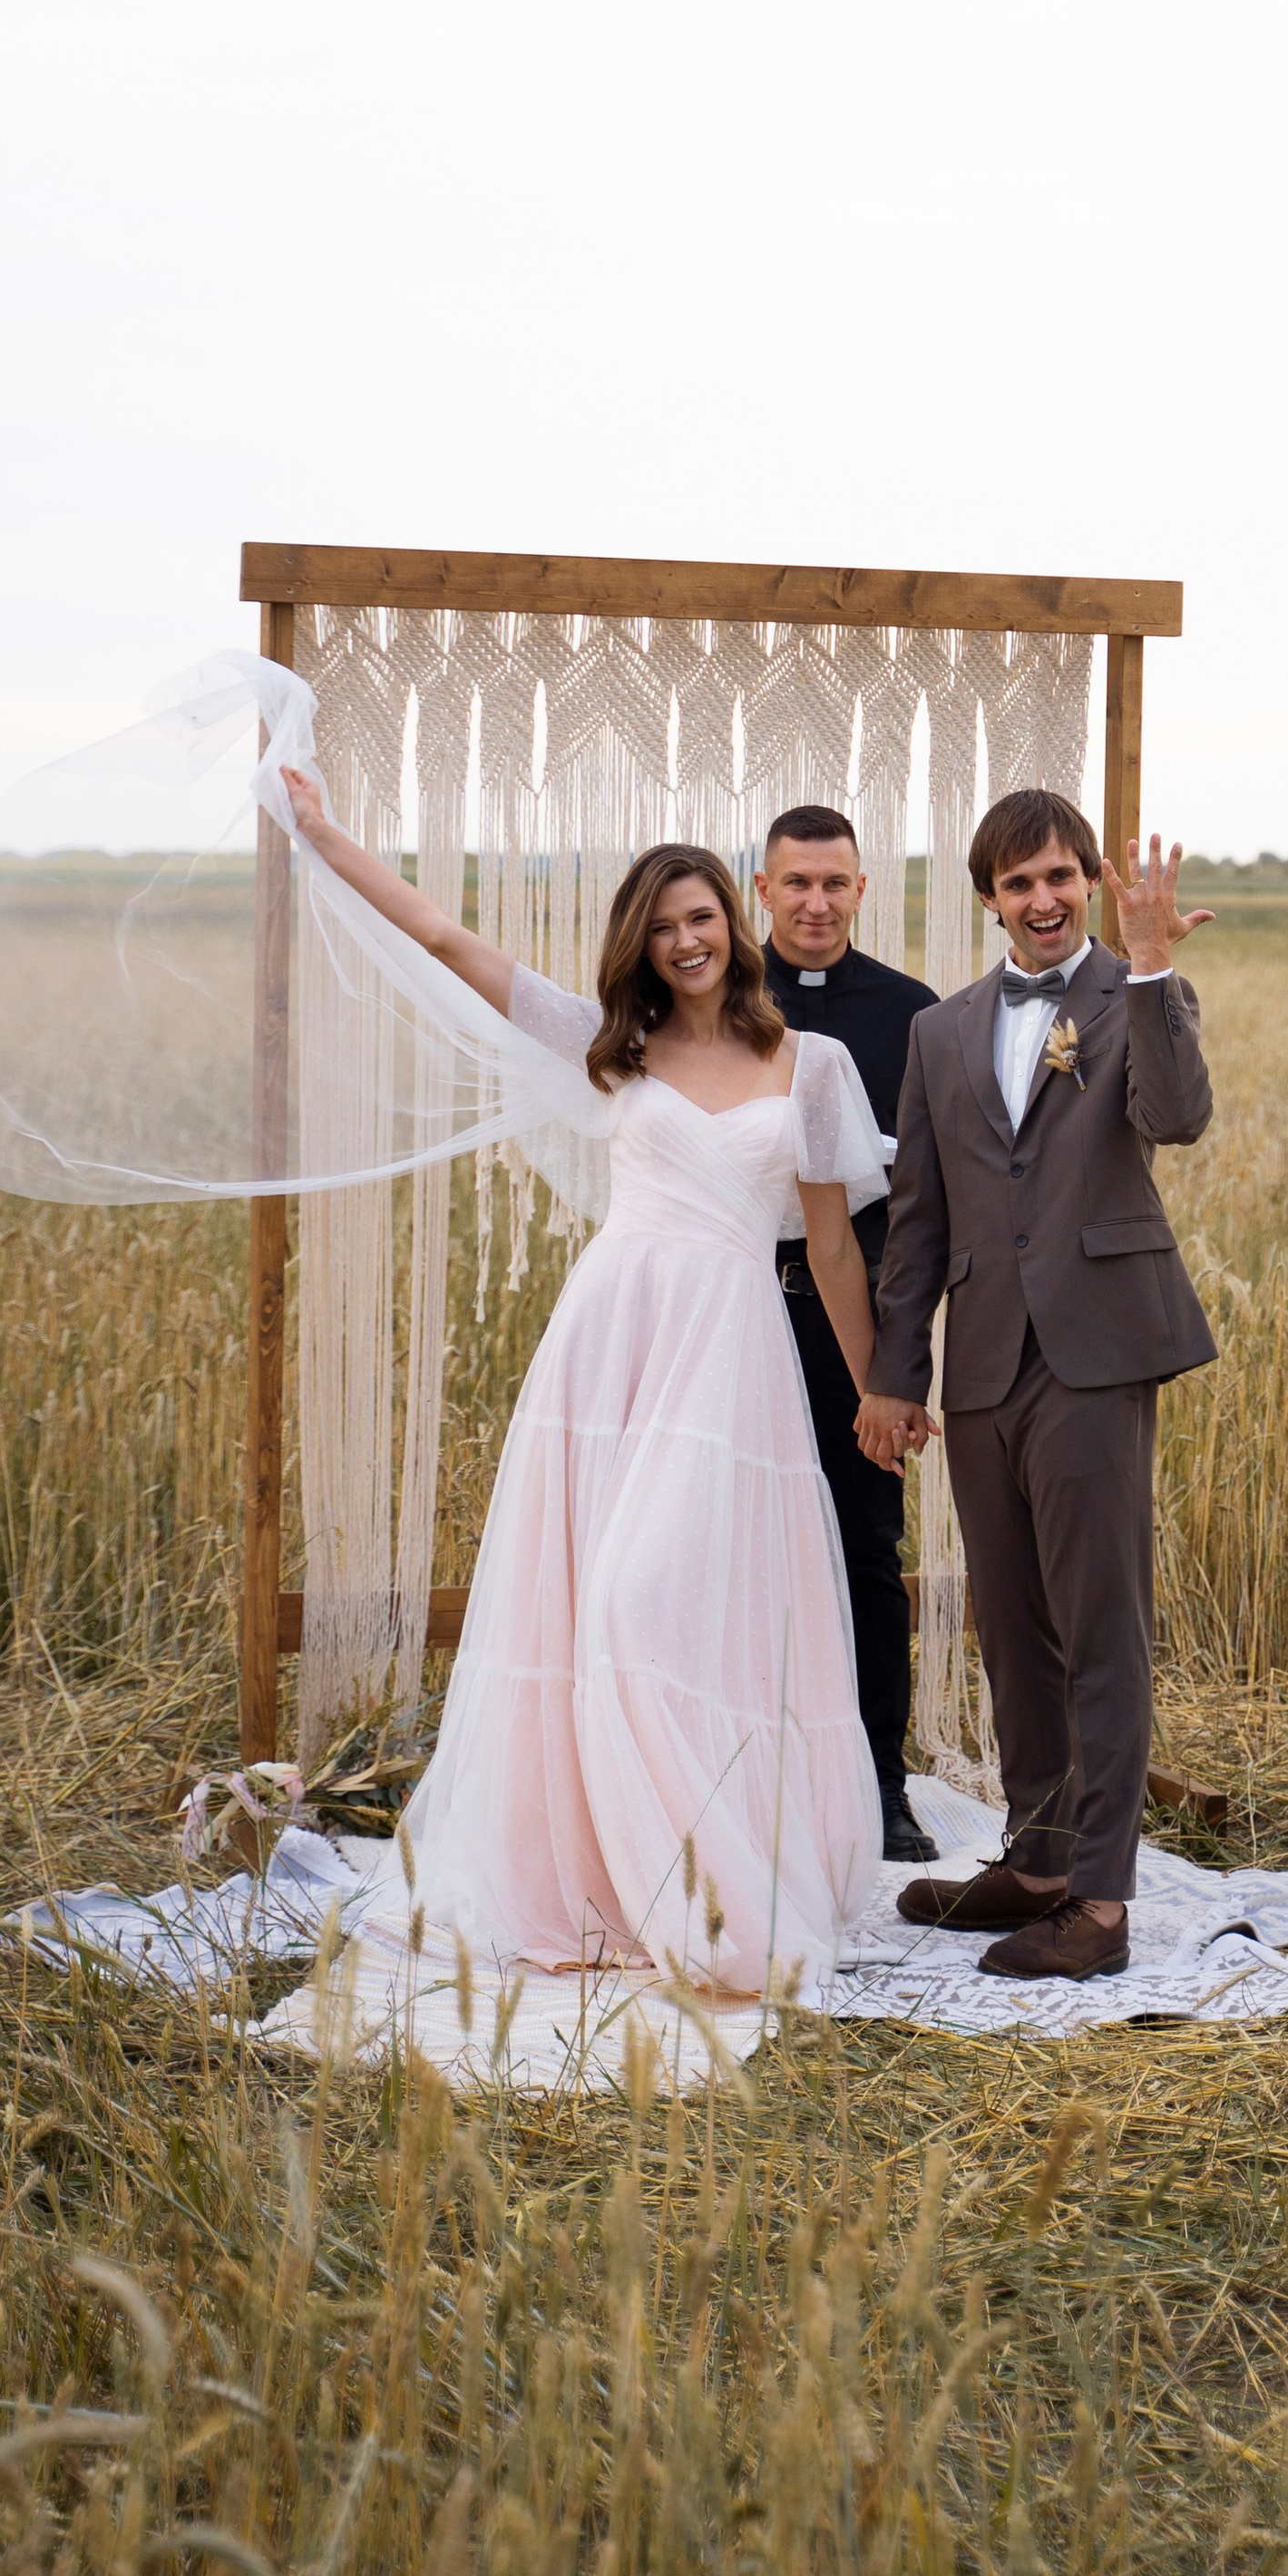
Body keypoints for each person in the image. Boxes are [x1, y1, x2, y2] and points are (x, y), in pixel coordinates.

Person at [277, 768, 892, 1998]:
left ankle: (719, 1877)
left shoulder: (810, 1065)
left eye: (702, 915)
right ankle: (612, 1877)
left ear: (736, 914)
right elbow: (451, 941)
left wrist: (877, 1392)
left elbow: (827, 1243)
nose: (688, 940)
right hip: (615, 1340)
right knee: (598, 1605)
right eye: (663, 928)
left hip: (732, 1354)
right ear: (643, 948)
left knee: (671, 1604)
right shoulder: (617, 1049)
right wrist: (332, 839)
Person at [857, 794, 1216, 1982]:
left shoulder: (1134, 997)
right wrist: (897, 1375)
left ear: (1085, 883)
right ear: (991, 899)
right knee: (1012, 1627)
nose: (1046, 900)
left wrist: (1155, 967)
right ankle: (1039, 1857)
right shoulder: (942, 1032)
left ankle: (1100, 1910)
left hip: (1098, 1349)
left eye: (1062, 876)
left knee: (1097, 1629)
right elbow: (919, 1224)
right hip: (985, 1365)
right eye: (1019, 885)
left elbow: (1179, 1118)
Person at [752, 806, 940, 1864]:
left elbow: (928, 1203)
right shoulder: (717, 1001)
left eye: (835, 884)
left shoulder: (912, 1016)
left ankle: (882, 1783)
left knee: (867, 1548)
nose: (815, 903)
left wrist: (896, 1366)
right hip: (734, 1308)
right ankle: (742, 1771)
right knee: (724, 1537)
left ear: (862, 890)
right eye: (796, 884)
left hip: (852, 1321)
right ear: (762, 889)